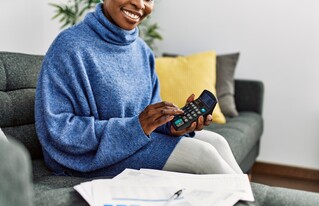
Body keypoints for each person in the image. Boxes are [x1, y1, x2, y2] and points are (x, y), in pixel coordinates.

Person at [35, 0, 243, 178]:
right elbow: (59, 130)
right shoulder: (69, 46)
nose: (140, 5)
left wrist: (170, 125)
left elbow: (148, 119)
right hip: (86, 159)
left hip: (134, 142)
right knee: (203, 155)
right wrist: (136, 127)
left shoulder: (143, 51)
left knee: (218, 141)